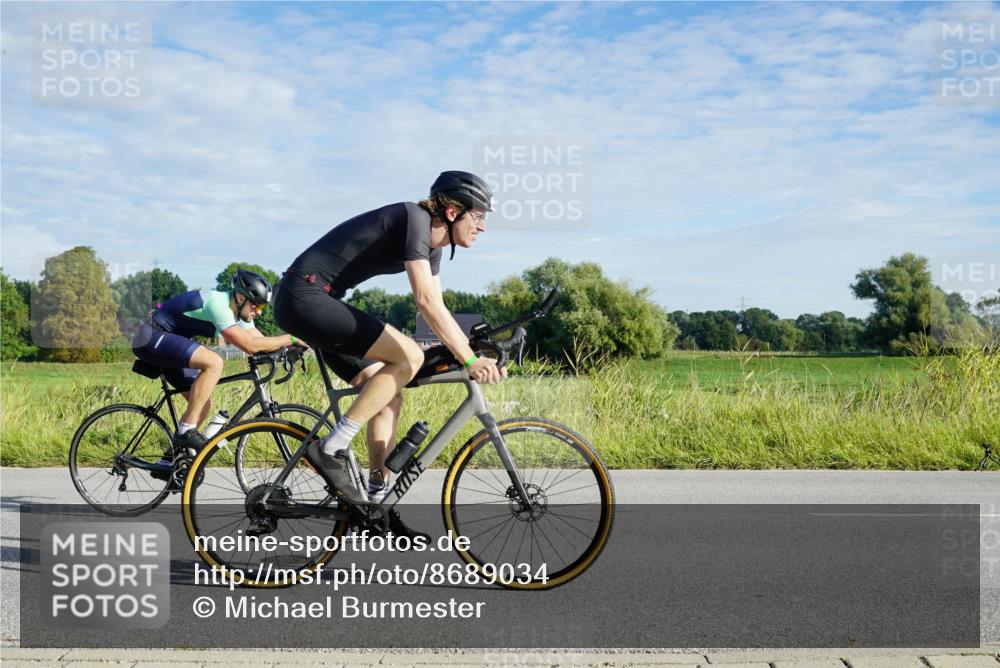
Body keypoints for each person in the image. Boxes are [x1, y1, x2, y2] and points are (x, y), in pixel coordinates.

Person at [272, 170, 506, 540]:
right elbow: (424, 300)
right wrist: (470, 360)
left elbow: (438, 306)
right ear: (452, 212)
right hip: (303, 296)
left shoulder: (433, 247)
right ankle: (331, 447)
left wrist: (467, 349)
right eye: (478, 216)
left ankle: (376, 504)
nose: (482, 227)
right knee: (408, 357)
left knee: (386, 394)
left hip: (316, 302)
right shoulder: (415, 219)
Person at [132, 269, 299, 472]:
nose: (260, 312)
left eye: (263, 306)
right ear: (240, 298)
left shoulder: (241, 313)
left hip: (170, 341)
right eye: (257, 305)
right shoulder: (218, 304)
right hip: (150, 337)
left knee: (202, 404)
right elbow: (250, 346)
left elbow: (260, 342)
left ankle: (169, 463)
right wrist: (291, 338)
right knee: (214, 362)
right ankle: (185, 432)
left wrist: (289, 349)